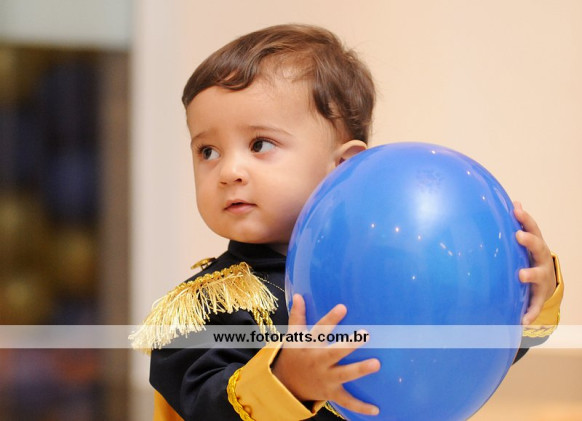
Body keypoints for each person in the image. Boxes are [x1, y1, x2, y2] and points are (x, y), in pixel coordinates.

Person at [130, 24, 564, 421]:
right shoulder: (203, 308)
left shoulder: (386, 271)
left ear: (343, 168)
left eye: (259, 144)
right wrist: (285, 382)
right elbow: (201, 402)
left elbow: (454, 361)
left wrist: (530, 299)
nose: (228, 172)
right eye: (207, 151)